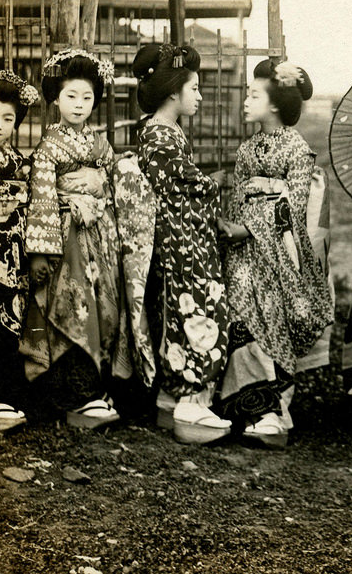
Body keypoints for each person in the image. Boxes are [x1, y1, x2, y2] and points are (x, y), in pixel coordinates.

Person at [216, 60, 334, 448]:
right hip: (243, 252)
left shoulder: (298, 150)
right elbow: (237, 197)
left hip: (277, 251)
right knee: (240, 314)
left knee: (271, 318)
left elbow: (295, 208)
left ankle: (274, 412)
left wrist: (249, 227)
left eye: (254, 95)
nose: (246, 102)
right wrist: (234, 229)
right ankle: (249, 408)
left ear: (276, 105)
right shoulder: (247, 148)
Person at [19, 49, 123, 429]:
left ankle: (95, 388)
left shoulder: (100, 146)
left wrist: (100, 183)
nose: (79, 105)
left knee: (103, 309)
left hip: (98, 239)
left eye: (87, 97)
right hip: (65, 240)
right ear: (56, 99)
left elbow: (112, 185)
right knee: (74, 307)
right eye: (71, 96)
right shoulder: (49, 147)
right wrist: (41, 253)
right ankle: (73, 395)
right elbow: (42, 197)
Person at [132, 43, 231, 444]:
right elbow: (182, 188)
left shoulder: (163, 132)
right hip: (182, 243)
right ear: (174, 91)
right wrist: (215, 183)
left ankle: (170, 401)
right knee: (200, 311)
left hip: (179, 239)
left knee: (178, 312)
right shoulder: (159, 135)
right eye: (195, 87)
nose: (200, 95)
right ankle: (191, 401)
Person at [0, 70, 39, 433]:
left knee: (8, 317)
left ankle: (1, 395)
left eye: (8, 119)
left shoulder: (21, 163)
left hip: (12, 250)